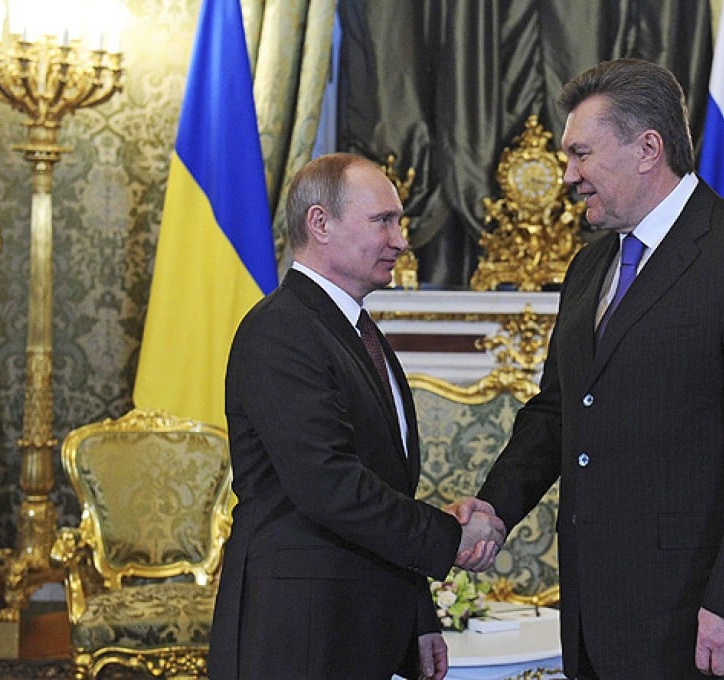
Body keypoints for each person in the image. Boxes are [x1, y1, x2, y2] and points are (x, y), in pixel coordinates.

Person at [449, 59, 724, 678]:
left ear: (648, 148)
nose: (568, 176)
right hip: (597, 610)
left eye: (581, 154)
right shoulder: (588, 267)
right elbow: (557, 410)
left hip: (705, 617)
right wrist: (494, 507)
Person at [209, 152, 505, 680]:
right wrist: (449, 539)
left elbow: (385, 486)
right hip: (298, 635)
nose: (401, 240)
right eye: (383, 220)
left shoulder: (356, 333)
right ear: (319, 223)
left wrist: (418, 614)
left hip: (352, 627)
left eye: (400, 220)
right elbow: (331, 487)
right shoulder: (281, 331)